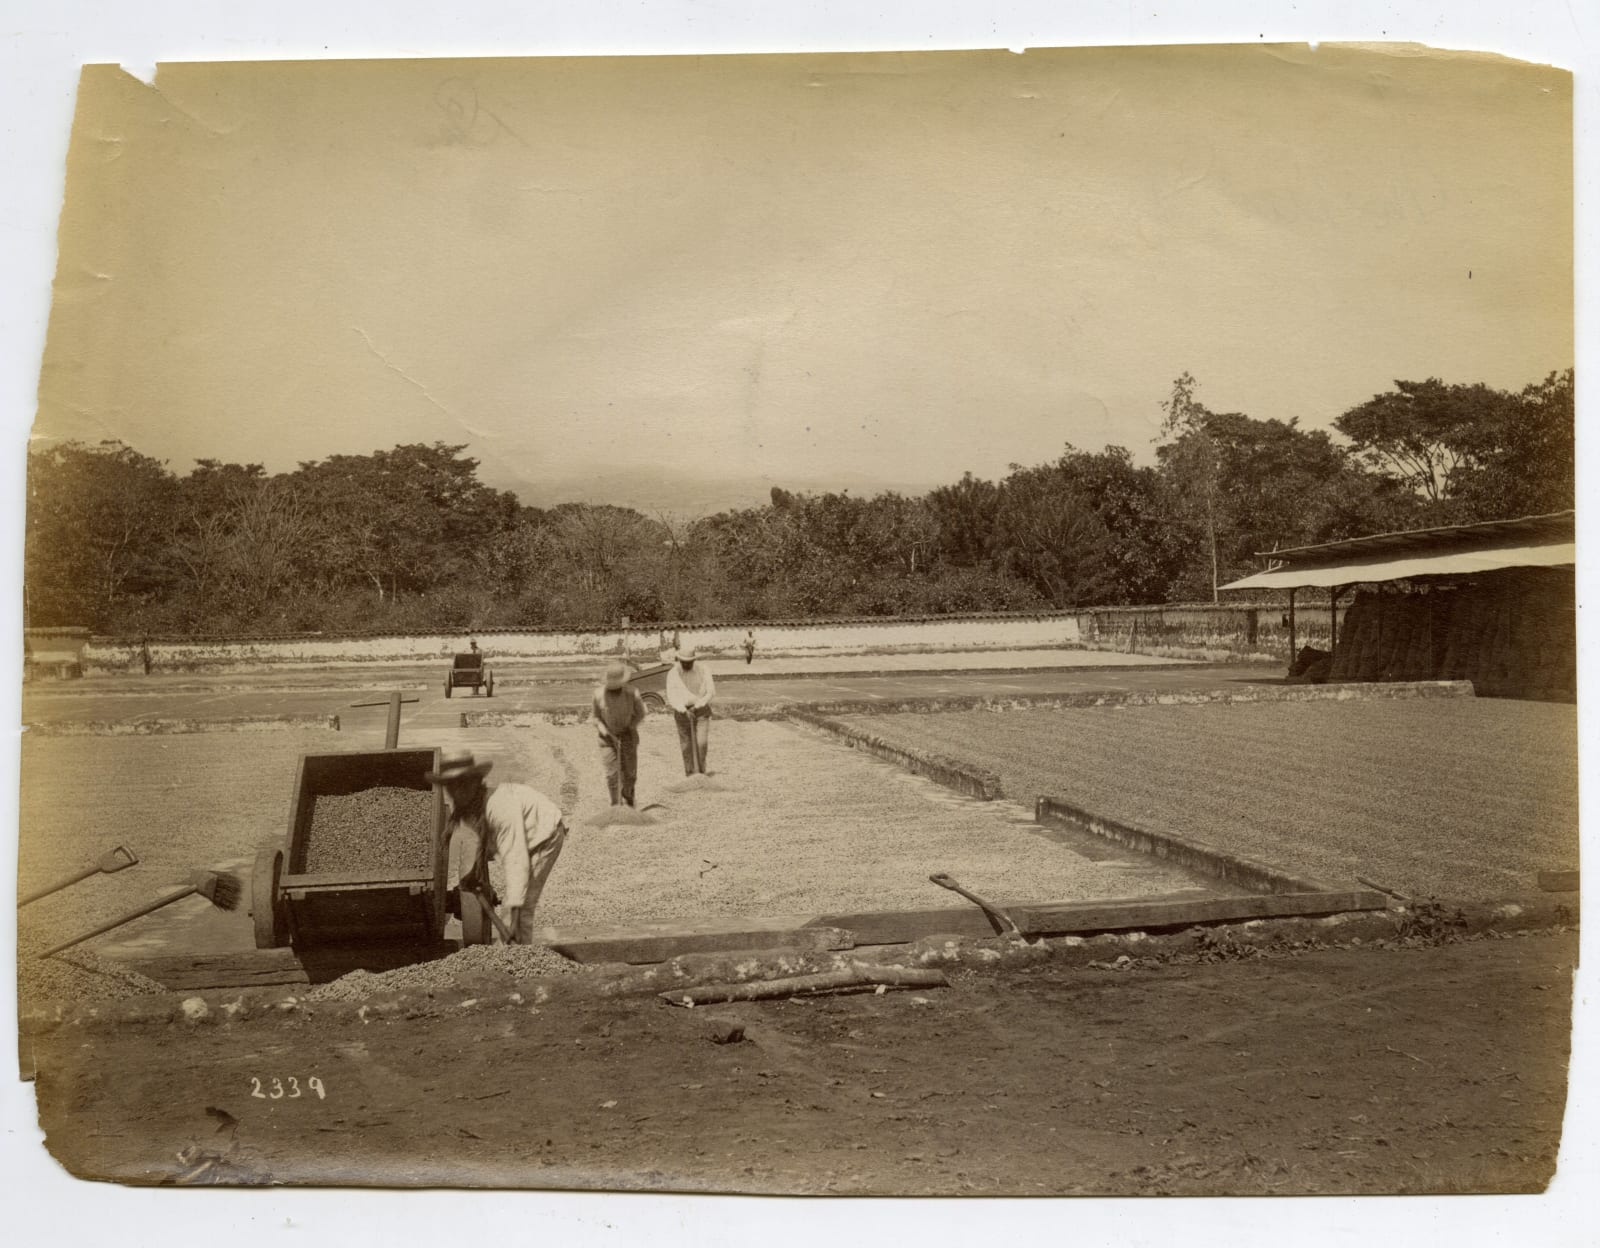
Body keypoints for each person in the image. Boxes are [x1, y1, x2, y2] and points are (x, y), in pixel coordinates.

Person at [427, 750, 567, 945]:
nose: (457, 791)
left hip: (543, 835)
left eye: (463, 783)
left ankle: (518, 955)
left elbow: (516, 861)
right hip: (512, 835)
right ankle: (512, 952)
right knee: (514, 904)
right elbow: (480, 839)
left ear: (476, 781)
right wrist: (474, 873)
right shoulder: (466, 807)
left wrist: (514, 917)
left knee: (519, 906)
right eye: (451, 786)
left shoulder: (501, 808)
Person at [593, 661, 647, 807]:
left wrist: (631, 726)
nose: (614, 690)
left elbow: (641, 713)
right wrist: (607, 733)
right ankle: (616, 805)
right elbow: (596, 718)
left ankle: (628, 794)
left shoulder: (632, 693)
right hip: (607, 740)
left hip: (628, 736)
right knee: (612, 775)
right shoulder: (599, 695)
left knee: (629, 774)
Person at [666, 644, 716, 775]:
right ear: (679, 660)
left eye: (689, 662)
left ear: (694, 660)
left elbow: (710, 692)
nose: (686, 665)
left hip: (701, 711)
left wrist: (697, 706)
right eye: (684, 662)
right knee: (686, 745)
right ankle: (689, 774)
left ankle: (701, 772)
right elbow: (671, 695)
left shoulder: (704, 670)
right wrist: (683, 710)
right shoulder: (672, 674)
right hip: (682, 712)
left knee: (701, 743)